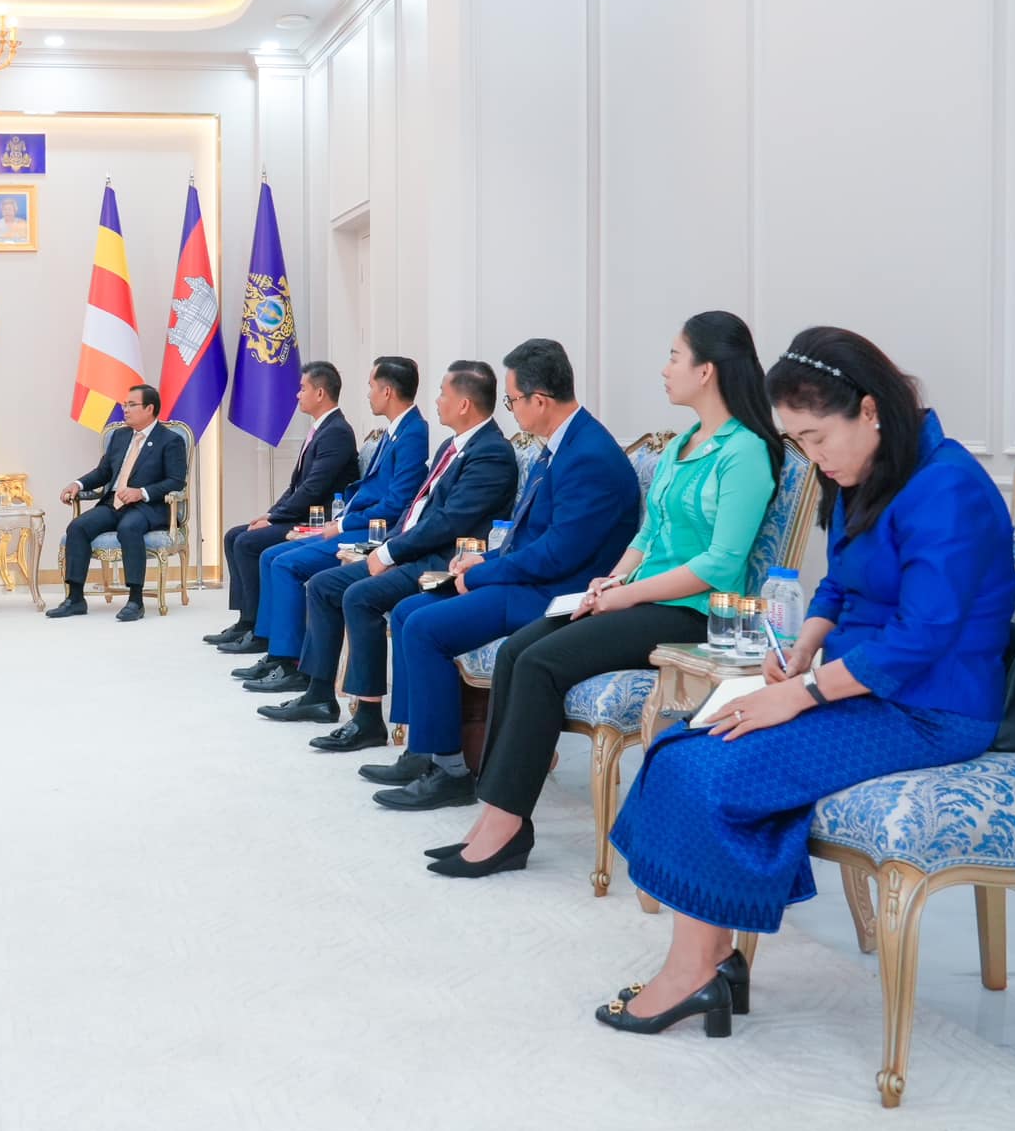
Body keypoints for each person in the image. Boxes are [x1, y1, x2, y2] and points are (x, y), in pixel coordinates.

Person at [596, 327, 1015, 1039]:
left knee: (710, 767)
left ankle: (693, 973)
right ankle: (712, 962)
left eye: (818, 438)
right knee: (680, 744)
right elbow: (841, 583)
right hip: (863, 686)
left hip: (932, 707)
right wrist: (803, 647)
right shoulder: (869, 468)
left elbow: (921, 639)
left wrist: (801, 693)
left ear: (870, 410)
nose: (814, 457)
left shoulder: (947, 488)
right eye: (800, 443)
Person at [393, 314, 781, 852]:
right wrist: (611, 580)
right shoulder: (683, 445)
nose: (665, 369)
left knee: (539, 662)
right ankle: (495, 812)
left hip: (692, 611)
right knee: (518, 651)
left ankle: (507, 826)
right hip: (639, 596)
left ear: (707, 370)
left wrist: (627, 593)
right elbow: (648, 533)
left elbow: (721, 562)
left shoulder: (745, 452)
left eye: (674, 356)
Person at [364, 338, 644, 808]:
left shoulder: (589, 455)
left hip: (559, 594)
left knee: (426, 627)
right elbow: (527, 540)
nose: (509, 410)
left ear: (540, 400)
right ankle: (422, 750)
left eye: (512, 400)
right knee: (410, 609)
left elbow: (558, 554)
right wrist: (483, 562)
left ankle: (450, 771)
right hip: (535, 578)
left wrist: (481, 576)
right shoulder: (561, 445)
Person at [257, 363, 517, 747]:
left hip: (442, 561)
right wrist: (386, 546)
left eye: (443, 394)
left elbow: (448, 522)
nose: (436, 401)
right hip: (412, 548)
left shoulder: (491, 453)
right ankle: (319, 694)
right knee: (323, 586)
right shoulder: (452, 446)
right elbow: (416, 509)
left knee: (359, 596)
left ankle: (368, 717)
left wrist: (391, 552)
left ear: (464, 404)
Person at [236, 356, 430, 693]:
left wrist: (342, 524)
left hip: (375, 530)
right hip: (355, 520)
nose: (367, 394)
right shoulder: (395, 430)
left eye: (371, 386)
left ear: (387, 391)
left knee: (286, 564)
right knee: (273, 556)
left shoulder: (412, 432)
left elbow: (396, 503)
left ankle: (291, 662)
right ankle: (277, 652)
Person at [205, 360, 360, 653]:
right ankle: (246, 620)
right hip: (300, 512)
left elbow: (314, 489)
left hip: (318, 519)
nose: (297, 394)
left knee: (247, 542)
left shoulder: (337, 432)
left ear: (320, 393)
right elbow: (295, 487)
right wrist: (270, 514)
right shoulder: (320, 430)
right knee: (233, 535)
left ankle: (259, 630)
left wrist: (276, 519)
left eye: (302, 388)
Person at [48, 384, 190, 622]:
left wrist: (141, 492)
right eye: (125, 404)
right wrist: (78, 484)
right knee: (78, 527)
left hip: (148, 506)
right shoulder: (120, 436)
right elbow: (103, 472)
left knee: (129, 527)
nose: (125, 409)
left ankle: (135, 601)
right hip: (114, 503)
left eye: (131, 405)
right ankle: (75, 599)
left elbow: (176, 481)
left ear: (149, 408)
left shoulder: (170, 440)